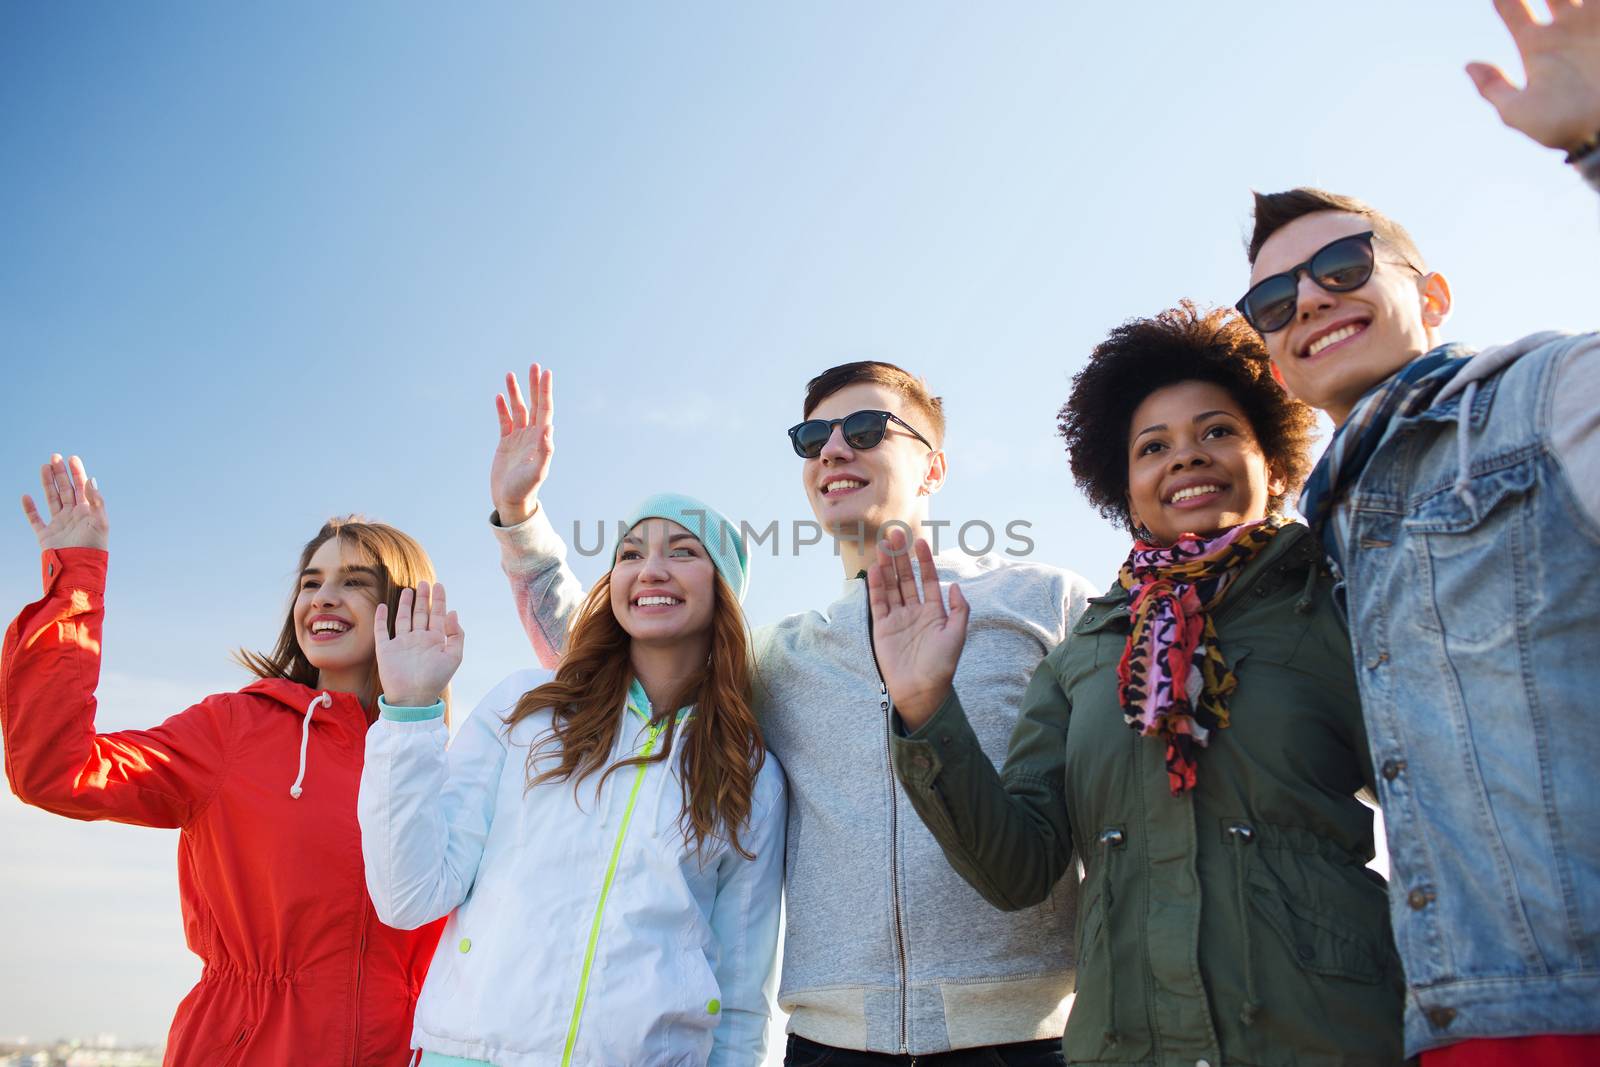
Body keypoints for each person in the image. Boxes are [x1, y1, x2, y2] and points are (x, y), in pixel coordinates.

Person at [489, 364, 1095, 1064]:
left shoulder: (1044, 602)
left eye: (865, 429)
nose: (833, 450)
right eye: (813, 438)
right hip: (831, 1043)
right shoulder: (782, 657)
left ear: (933, 467)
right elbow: (614, 646)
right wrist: (522, 522)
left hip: (1024, 1035)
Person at [870, 304, 1404, 1065]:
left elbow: (1444, 804)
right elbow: (1018, 870)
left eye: (1217, 431)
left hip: (1331, 1038)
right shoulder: (1081, 656)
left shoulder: (1339, 600)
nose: (1185, 456)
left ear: (1274, 462)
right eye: (1154, 446)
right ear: (1125, 487)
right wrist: (926, 710)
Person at [1233, 4, 1600, 1061]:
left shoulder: (1543, 397)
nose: (1307, 295)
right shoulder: (1332, 532)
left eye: (1344, 264)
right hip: (1455, 1020)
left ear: (1430, 293)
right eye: (1271, 297)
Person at [0, 454, 445, 1065]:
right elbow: (56, 769)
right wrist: (76, 577)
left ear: (404, 604)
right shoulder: (235, 729)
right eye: (310, 583)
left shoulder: (440, 762)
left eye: (354, 582)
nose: (323, 598)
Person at [357, 493, 785, 1066]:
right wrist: (409, 714)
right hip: (471, 1054)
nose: (650, 569)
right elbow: (409, 897)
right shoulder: (525, 709)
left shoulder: (750, 771)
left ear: (723, 591)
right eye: (630, 553)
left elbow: (739, 995)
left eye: (682, 552)